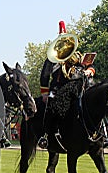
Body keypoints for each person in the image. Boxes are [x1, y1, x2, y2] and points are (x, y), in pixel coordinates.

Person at [37, 21, 96, 149]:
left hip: (76, 88)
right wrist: (45, 93)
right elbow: (44, 77)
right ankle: (46, 135)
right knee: (50, 108)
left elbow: (90, 66)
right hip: (57, 89)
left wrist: (88, 71)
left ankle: (96, 133)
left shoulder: (77, 55)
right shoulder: (52, 60)